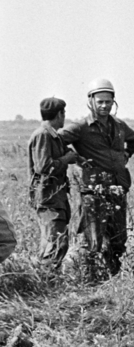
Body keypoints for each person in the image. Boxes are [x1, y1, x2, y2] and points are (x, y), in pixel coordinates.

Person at [61, 79, 134, 278]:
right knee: (92, 239)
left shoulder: (120, 126)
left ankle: (114, 276)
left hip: (118, 188)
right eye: (100, 102)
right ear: (91, 101)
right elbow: (57, 140)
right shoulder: (80, 127)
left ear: (114, 102)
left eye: (108, 101)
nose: (104, 106)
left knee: (118, 238)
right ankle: (87, 279)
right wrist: (76, 158)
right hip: (94, 191)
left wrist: (126, 155)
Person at [27, 97, 77, 268]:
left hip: (55, 197)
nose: (64, 117)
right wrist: (66, 159)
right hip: (48, 198)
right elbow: (44, 167)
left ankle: (44, 281)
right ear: (59, 115)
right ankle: (46, 281)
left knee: (53, 242)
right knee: (55, 244)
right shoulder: (43, 135)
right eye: (63, 113)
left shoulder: (53, 136)